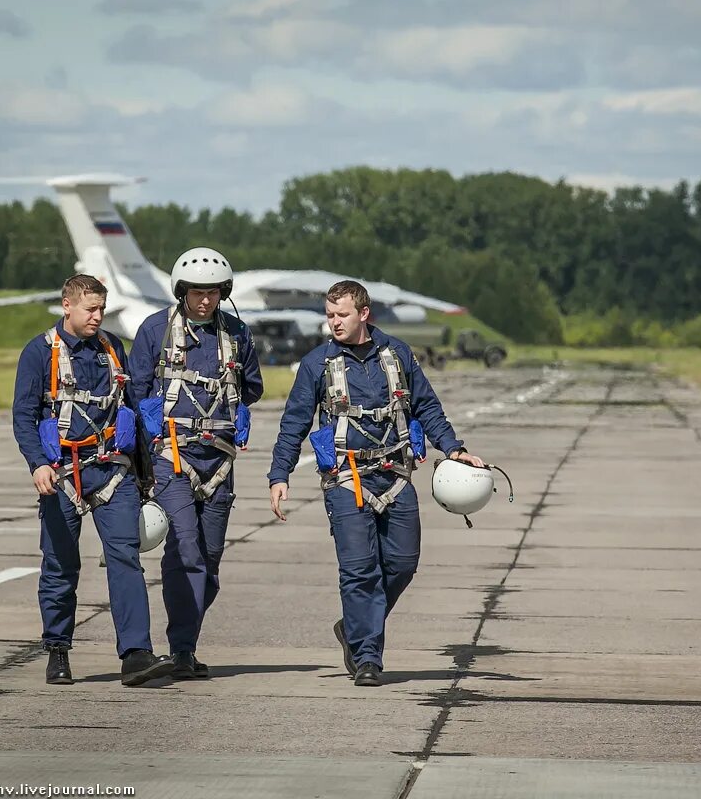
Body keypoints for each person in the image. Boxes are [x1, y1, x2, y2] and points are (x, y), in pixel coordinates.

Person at [267, 280, 484, 687]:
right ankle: (367, 656)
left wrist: (454, 449)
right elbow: (293, 424)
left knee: (403, 563)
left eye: (342, 315)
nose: (334, 322)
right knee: (359, 570)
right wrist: (279, 475)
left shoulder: (398, 354)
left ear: (364, 313)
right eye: (329, 315)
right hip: (345, 480)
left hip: (396, 476)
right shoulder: (316, 364)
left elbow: (427, 407)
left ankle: (353, 626)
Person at [11, 274, 173, 687]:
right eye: (91, 309)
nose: (98, 316)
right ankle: (58, 651)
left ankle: (136, 654)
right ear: (67, 306)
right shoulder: (39, 353)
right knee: (61, 566)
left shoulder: (112, 349)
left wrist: (145, 474)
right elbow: (23, 416)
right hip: (61, 474)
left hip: (111, 471)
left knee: (126, 558)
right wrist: (36, 464)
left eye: (101, 308)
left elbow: (133, 410)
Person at [129, 247, 263, 680]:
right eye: (196, 293)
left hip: (220, 461)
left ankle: (183, 646)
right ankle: (181, 649)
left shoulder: (238, 334)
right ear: (181, 291)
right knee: (186, 550)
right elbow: (136, 391)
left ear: (223, 292)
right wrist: (137, 463)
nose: (204, 301)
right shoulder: (155, 330)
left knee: (210, 560)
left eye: (211, 293)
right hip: (172, 457)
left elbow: (253, 387)